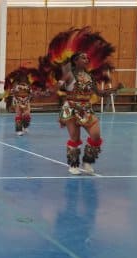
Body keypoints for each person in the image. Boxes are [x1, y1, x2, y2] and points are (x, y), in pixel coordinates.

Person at [40, 27, 121, 175]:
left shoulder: (90, 77)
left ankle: (88, 161)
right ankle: (73, 164)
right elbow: (56, 87)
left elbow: (100, 93)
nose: (87, 59)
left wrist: (114, 90)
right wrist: (47, 91)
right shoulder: (68, 75)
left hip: (86, 109)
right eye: (83, 57)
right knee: (75, 138)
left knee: (96, 136)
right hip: (71, 108)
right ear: (76, 61)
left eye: (87, 58)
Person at [2, 67, 48, 136]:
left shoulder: (29, 86)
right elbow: (10, 92)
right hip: (18, 101)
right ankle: (18, 130)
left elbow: (33, 93)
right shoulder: (16, 86)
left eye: (24, 77)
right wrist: (5, 96)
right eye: (22, 77)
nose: (23, 78)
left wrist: (41, 93)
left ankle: (25, 126)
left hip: (26, 102)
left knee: (27, 115)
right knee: (18, 115)